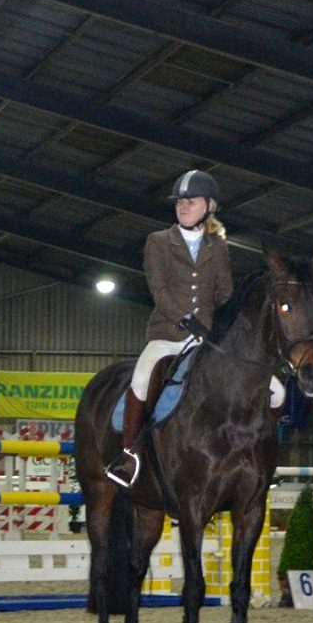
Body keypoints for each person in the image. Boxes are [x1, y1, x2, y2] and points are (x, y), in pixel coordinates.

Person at [107, 169, 233, 487]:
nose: (183, 206)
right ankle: (128, 455)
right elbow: (159, 290)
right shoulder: (158, 242)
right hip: (167, 334)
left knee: (261, 385)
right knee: (140, 378)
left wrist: (226, 323)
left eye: (190, 202)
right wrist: (186, 320)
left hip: (205, 338)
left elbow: (224, 294)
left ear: (209, 206)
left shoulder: (218, 247)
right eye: (180, 202)